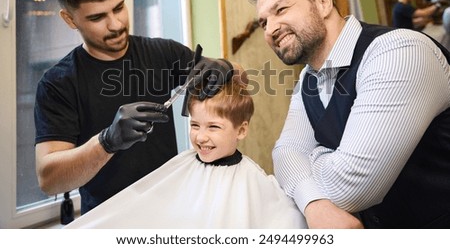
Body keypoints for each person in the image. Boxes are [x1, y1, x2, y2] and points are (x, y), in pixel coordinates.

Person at [249, 0, 450, 228]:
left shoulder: (399, 51)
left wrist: (313, 156)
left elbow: (350, 188)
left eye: (281, 10)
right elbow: (285, 153)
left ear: (322, 3)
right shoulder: (308, 80)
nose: (271, 28)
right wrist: (313, 202)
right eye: (263, 22)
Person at [34, 0, 234, 215]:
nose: (116, 25)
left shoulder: (162, 52)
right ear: (70, 20)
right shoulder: (58, 83)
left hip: (173, 208)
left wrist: (226, 68)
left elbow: (239, 80)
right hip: (109, 220)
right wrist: (107, 141)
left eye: (118, 8)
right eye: (97, 18)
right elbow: (49, 180)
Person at [64, 71, 307, 228]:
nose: (201, 137)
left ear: (241, 130)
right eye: (194, 125)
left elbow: (281, 219)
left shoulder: (252, 178)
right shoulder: (181, 164)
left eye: (213, 126)